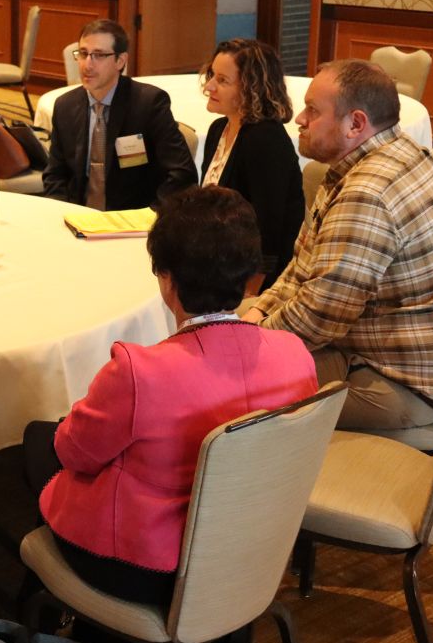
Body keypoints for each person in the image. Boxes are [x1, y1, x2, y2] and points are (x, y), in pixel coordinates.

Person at [24, 186, 317, 605]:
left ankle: (51, 609)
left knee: (40, 439)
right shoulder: (295, 355)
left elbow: (74, 453)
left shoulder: (139, 372)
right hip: (249, 552)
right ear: (252, 276)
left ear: (167, 280)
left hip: (146, 568)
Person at [243, 59, 433, 430]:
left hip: (401, 382)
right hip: (398, 355)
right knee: (232, 326)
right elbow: (303, 267)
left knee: (234, 392)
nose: (299, 119)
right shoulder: (396, 152)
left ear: (355, 124)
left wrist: (247, 346)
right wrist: (259, 311)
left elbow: (320, 316)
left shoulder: (367, 193)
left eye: (313, 111)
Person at [43, 19, 196, 210]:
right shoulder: (65, 106)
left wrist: (149, 215)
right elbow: (55, 174)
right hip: (77, 215)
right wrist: (61, 211)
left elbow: (182, 173)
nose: (87, 65)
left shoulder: (148, 104)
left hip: (132, 218)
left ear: (120, 61)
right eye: (83, 54)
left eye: (99, 55)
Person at [199, 39, 304, 290]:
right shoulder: (219, 129)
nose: (209, 86)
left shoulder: (265, 139)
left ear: (251, 88)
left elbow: (270, 226)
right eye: (212, 75)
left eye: (223, 80)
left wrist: (251, 290)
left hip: (251, 279)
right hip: (217, 262)